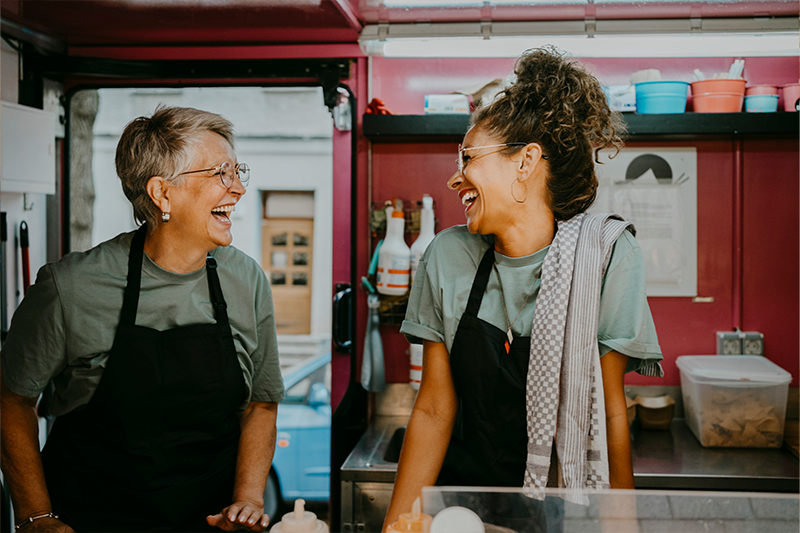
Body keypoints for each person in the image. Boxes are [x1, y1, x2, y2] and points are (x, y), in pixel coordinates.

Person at [383, 47, 663, 532]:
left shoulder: (606, 256)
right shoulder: (447, 256)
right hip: (462, 510)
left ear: (525, 162)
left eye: (468, 158)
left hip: (563, 510)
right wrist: (397, 524)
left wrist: (623, 528)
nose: (456, 177)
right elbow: (431, 408)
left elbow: (609, 410)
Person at [1, 106, 285, 532]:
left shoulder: (245, 279)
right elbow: (11, 401)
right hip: (93, 520)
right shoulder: (70, 287)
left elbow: (261, 403)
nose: (239, 187)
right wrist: (35, 516)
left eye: (237, 171)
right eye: (220, 173)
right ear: (162, 193)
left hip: (210, 524)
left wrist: (246, 499)